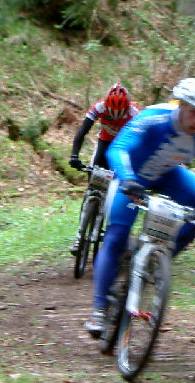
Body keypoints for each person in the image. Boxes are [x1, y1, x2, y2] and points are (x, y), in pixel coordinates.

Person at [84, 78, 195, 335]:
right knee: (115, 236)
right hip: (132, 178)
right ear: (181, 105)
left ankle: (157, 260)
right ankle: (99, 309)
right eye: (194, 113)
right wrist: (126, 178)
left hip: (168, 176)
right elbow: (119, 148)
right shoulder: (154, 117)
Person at [69, 83, 140, 255]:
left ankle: (112, 227)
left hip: (123, 150)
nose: (115, 119)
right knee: (92, 190)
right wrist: (74, 156)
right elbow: (81, 132)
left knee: (120, 192)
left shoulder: (135, 113)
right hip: (104, 145)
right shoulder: (99, 107)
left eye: (120, 115)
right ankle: (79, 237)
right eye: (111, 114)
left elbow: (142, 139)